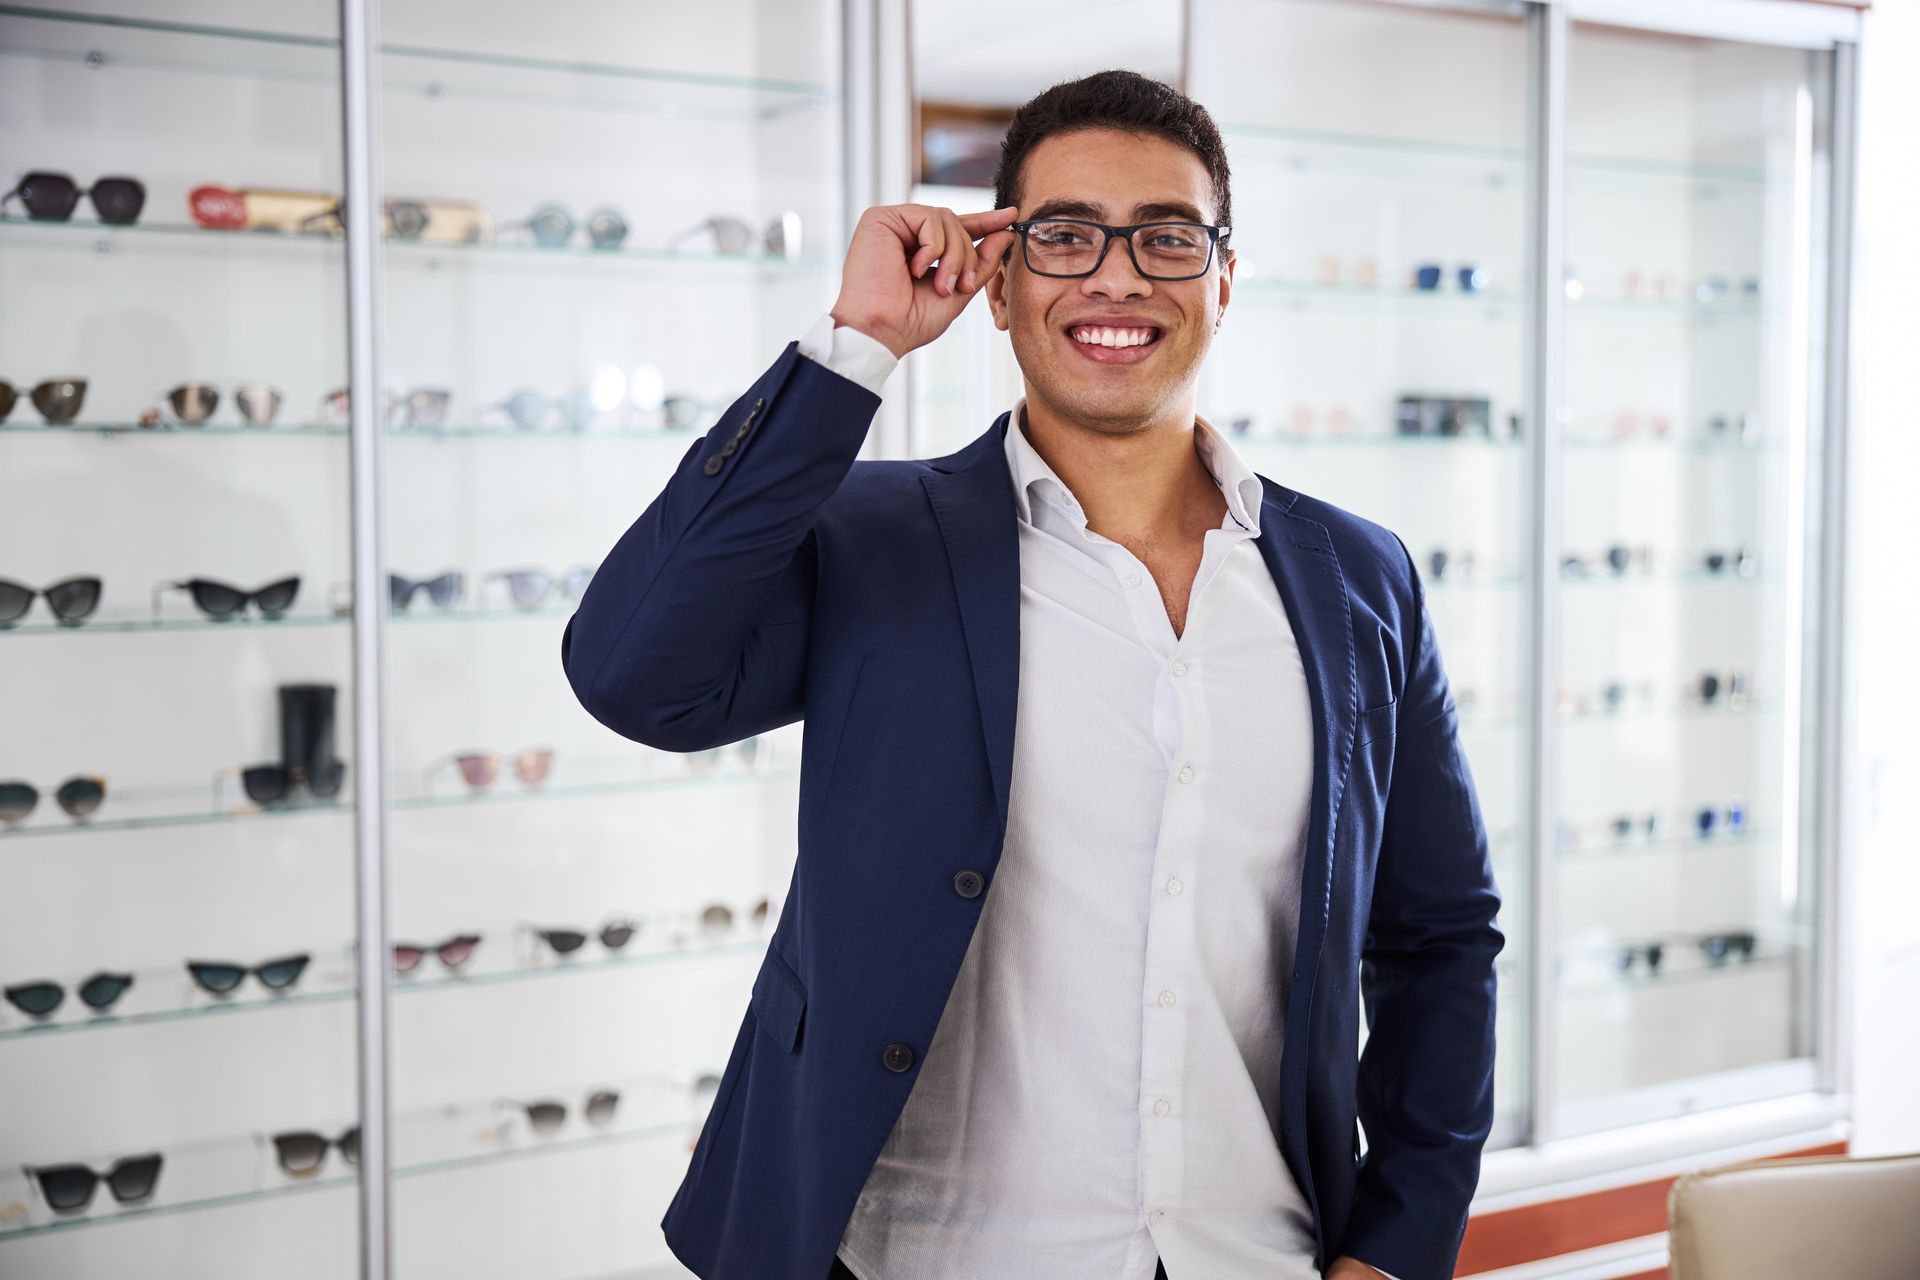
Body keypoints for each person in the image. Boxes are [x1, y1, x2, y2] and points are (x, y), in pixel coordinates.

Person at [561, 68, 1502, 1280]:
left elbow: (1439, 936)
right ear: (1000, 284)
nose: (1117, 276)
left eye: (1166, 237)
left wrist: (1398, 1243)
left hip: (1249, 1253)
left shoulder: (1360, 578)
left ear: (1225, 278)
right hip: (919, 1253)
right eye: (1065, 235)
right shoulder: (875, 537)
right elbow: (634, 673)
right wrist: (854, 348)